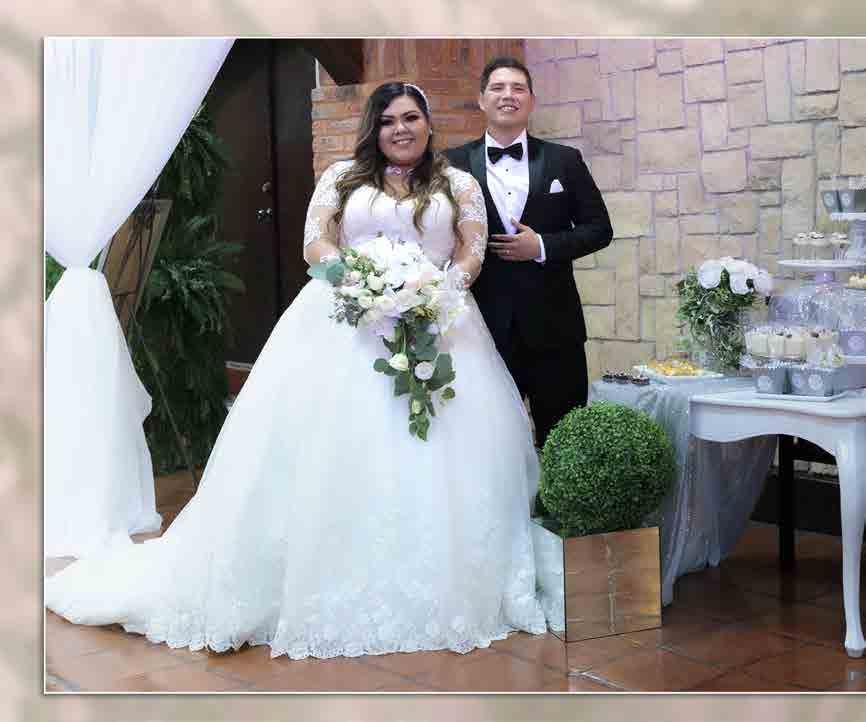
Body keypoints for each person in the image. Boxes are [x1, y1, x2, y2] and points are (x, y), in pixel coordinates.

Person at [45, 82, 547, 660]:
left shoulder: (458, 183)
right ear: (373, 127)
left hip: (439, 322)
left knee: (443, 451)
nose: (400, 129)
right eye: (388, 120)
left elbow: (471, 250)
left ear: (428, 124)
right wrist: (363, 284)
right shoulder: (342, 177)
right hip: (345, 324)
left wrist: (437, 290)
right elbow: (316, 244)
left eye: (411, 118)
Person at [444, 57, 613, 448]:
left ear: (532, 101)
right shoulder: (451, 164)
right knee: (487, 442)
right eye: (498, 88)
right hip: (482, 328)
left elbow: (599, 229)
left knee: (563, 442)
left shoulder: (564, 160)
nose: (508, 95)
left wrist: (542, 246)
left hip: (555, 328)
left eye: (518, 88)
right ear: (481, 100)